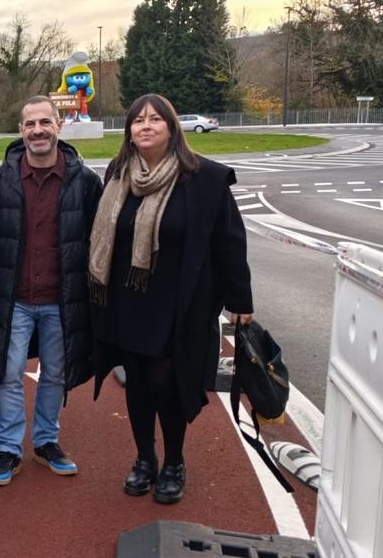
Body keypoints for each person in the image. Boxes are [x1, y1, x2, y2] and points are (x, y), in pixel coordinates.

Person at [89, 93, 253, 504]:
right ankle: (144, 458)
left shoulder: (204, 178)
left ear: (171, 127)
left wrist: (241, 300)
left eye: (155, 120)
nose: (145, 126)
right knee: (137, 381)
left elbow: (229, 242)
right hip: (128, 298)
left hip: (179, 302)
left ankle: (174, 461)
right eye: (137, 120)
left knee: (166, 380)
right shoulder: (119, 173)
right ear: (129, 130)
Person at [0, 96, 103, 486]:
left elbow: (99, 240)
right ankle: (9, 448)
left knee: (55, 374)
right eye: (30, 124)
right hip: (14, 299)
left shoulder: (85, 182)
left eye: (44, 123)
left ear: (58, 126)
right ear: (21, 130)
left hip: (62, 300)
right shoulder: (1, 181)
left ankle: (47, 441)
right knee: (8, 372)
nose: (37, 130)